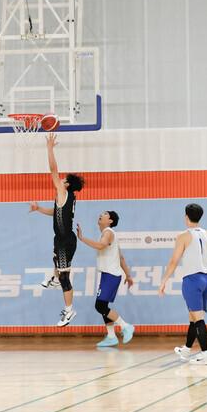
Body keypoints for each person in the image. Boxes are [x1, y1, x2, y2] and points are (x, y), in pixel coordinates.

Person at [28, 132, 85, 327]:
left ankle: (69, 311)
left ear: (67, 184)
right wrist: (38, 209)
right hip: (62, 239)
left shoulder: (63, 192)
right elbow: (55, 212)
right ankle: (54, 278)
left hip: (65, 240)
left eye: (63, 179)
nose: (59, 180)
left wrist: (49, 148)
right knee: (58, 264)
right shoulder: (66, 198)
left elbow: (53, 169)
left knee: (65, 277)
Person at [158, 203, 207, 365]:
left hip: (192, 280)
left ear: (186, 217)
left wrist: (163, 281)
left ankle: (206, 355)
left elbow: (174, 261)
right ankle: (186, 350)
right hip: (206, 279)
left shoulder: (183, 236)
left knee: (198, 319)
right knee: (193, 317)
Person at [76, 211, 135, 347]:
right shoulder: (109, 234)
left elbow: (100, 245)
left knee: (100, 306)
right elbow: (121, 257)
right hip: (109, 274)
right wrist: (128, 275)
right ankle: (111, 336)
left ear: (110, 221)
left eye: (105, 214)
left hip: (111, 275)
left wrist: (82, 238)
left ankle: (126, 326)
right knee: (103, 306)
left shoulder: (108, 232)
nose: (101, 214)